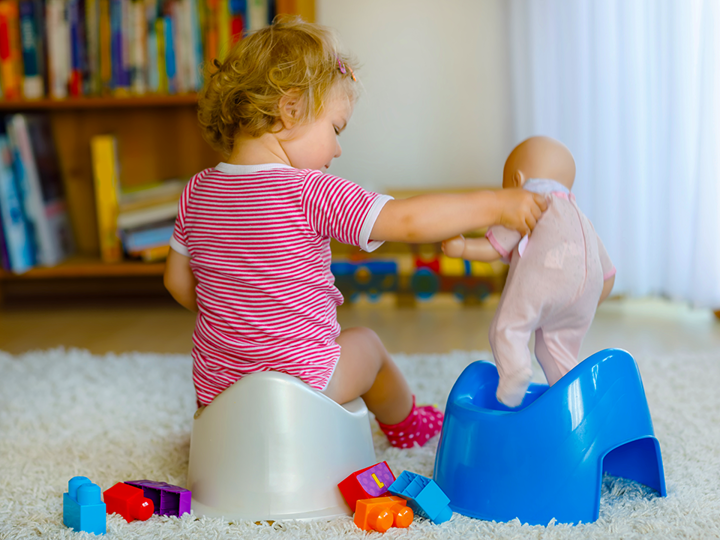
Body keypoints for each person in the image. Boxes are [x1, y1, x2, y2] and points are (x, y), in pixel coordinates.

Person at [163, 17, 547, 448]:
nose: (338, 149)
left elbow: (177, 283)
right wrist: (496, 204)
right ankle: (407, 425)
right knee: (366, 344)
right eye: (336, 129)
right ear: (290, 110)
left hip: (217, 395)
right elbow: (407, 221)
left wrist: (238, 306)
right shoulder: (309, 190)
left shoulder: (197, 190)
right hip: (304, 386)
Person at [443, 136, 615, 407]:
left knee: (507, 328)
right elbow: (608, 274)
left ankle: (515, 374)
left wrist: (462, 247)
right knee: (554, 347)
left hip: (546, 279)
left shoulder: (527, 204)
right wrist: (587, 300)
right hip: (587, 291)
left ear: (516, 179)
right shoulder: (581, 218)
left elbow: (492, 248)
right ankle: (572, 401)